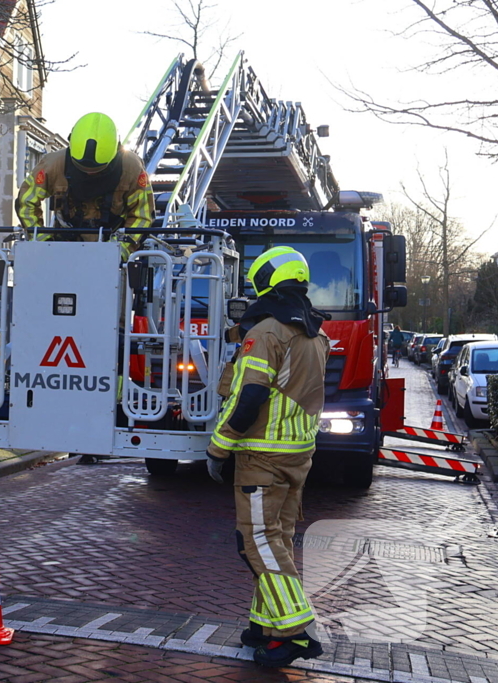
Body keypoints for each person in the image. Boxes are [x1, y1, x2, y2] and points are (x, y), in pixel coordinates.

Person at [205, 246, 331, 668]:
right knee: (276, 540)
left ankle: (295, 633)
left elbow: (251, 395)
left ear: (266, 282)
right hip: (297, 454)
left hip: (262, 455)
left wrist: (219, 446)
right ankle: (265, 626)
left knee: (256, 541)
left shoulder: (268, 333)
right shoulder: (316, 333)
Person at [15, 112, 154, 258]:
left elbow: (142, 216)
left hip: (112, 246)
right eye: (83, 170)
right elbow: (26, 203)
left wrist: (119, 252)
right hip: (62, 249)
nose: (89, 175)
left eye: (96, 171)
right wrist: (43, 243)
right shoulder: (53, 165)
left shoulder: (131, 168)